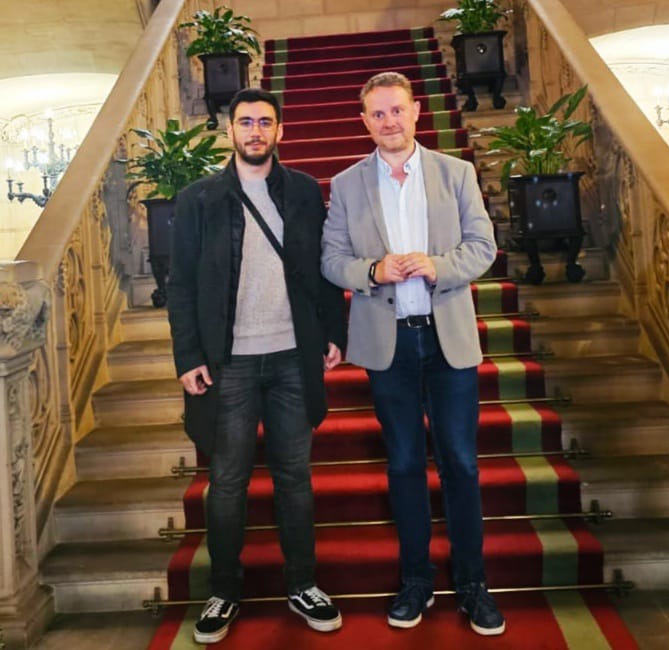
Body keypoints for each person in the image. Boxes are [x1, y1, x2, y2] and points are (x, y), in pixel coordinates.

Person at [321, 72, 505, 636]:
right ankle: (416, 581)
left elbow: (484, 245)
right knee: (403, 465)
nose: (389, 122)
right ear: (364, 121)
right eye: (377, 114)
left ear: (416, 111)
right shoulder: (347, 184)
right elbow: (331, 258)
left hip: (448, 337)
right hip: (389, 343)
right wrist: (373, 271)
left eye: (396, 110)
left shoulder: (456, 172)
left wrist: (438, 266)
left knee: (461, 463)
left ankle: (473, 585)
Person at [167, 87, 346, 644]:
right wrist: (188, 356)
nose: (255, 131)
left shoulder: (303, 191)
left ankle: (303, 584)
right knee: (227, 481)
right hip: (230, 364)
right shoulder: (198, 199)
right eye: (245, 122)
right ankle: (224, 590)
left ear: (279, 130)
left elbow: (322, 268)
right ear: (230, 131)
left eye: (265, 122)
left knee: (295, 478)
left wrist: (333, 333)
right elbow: (181, 284)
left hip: (293, 356)